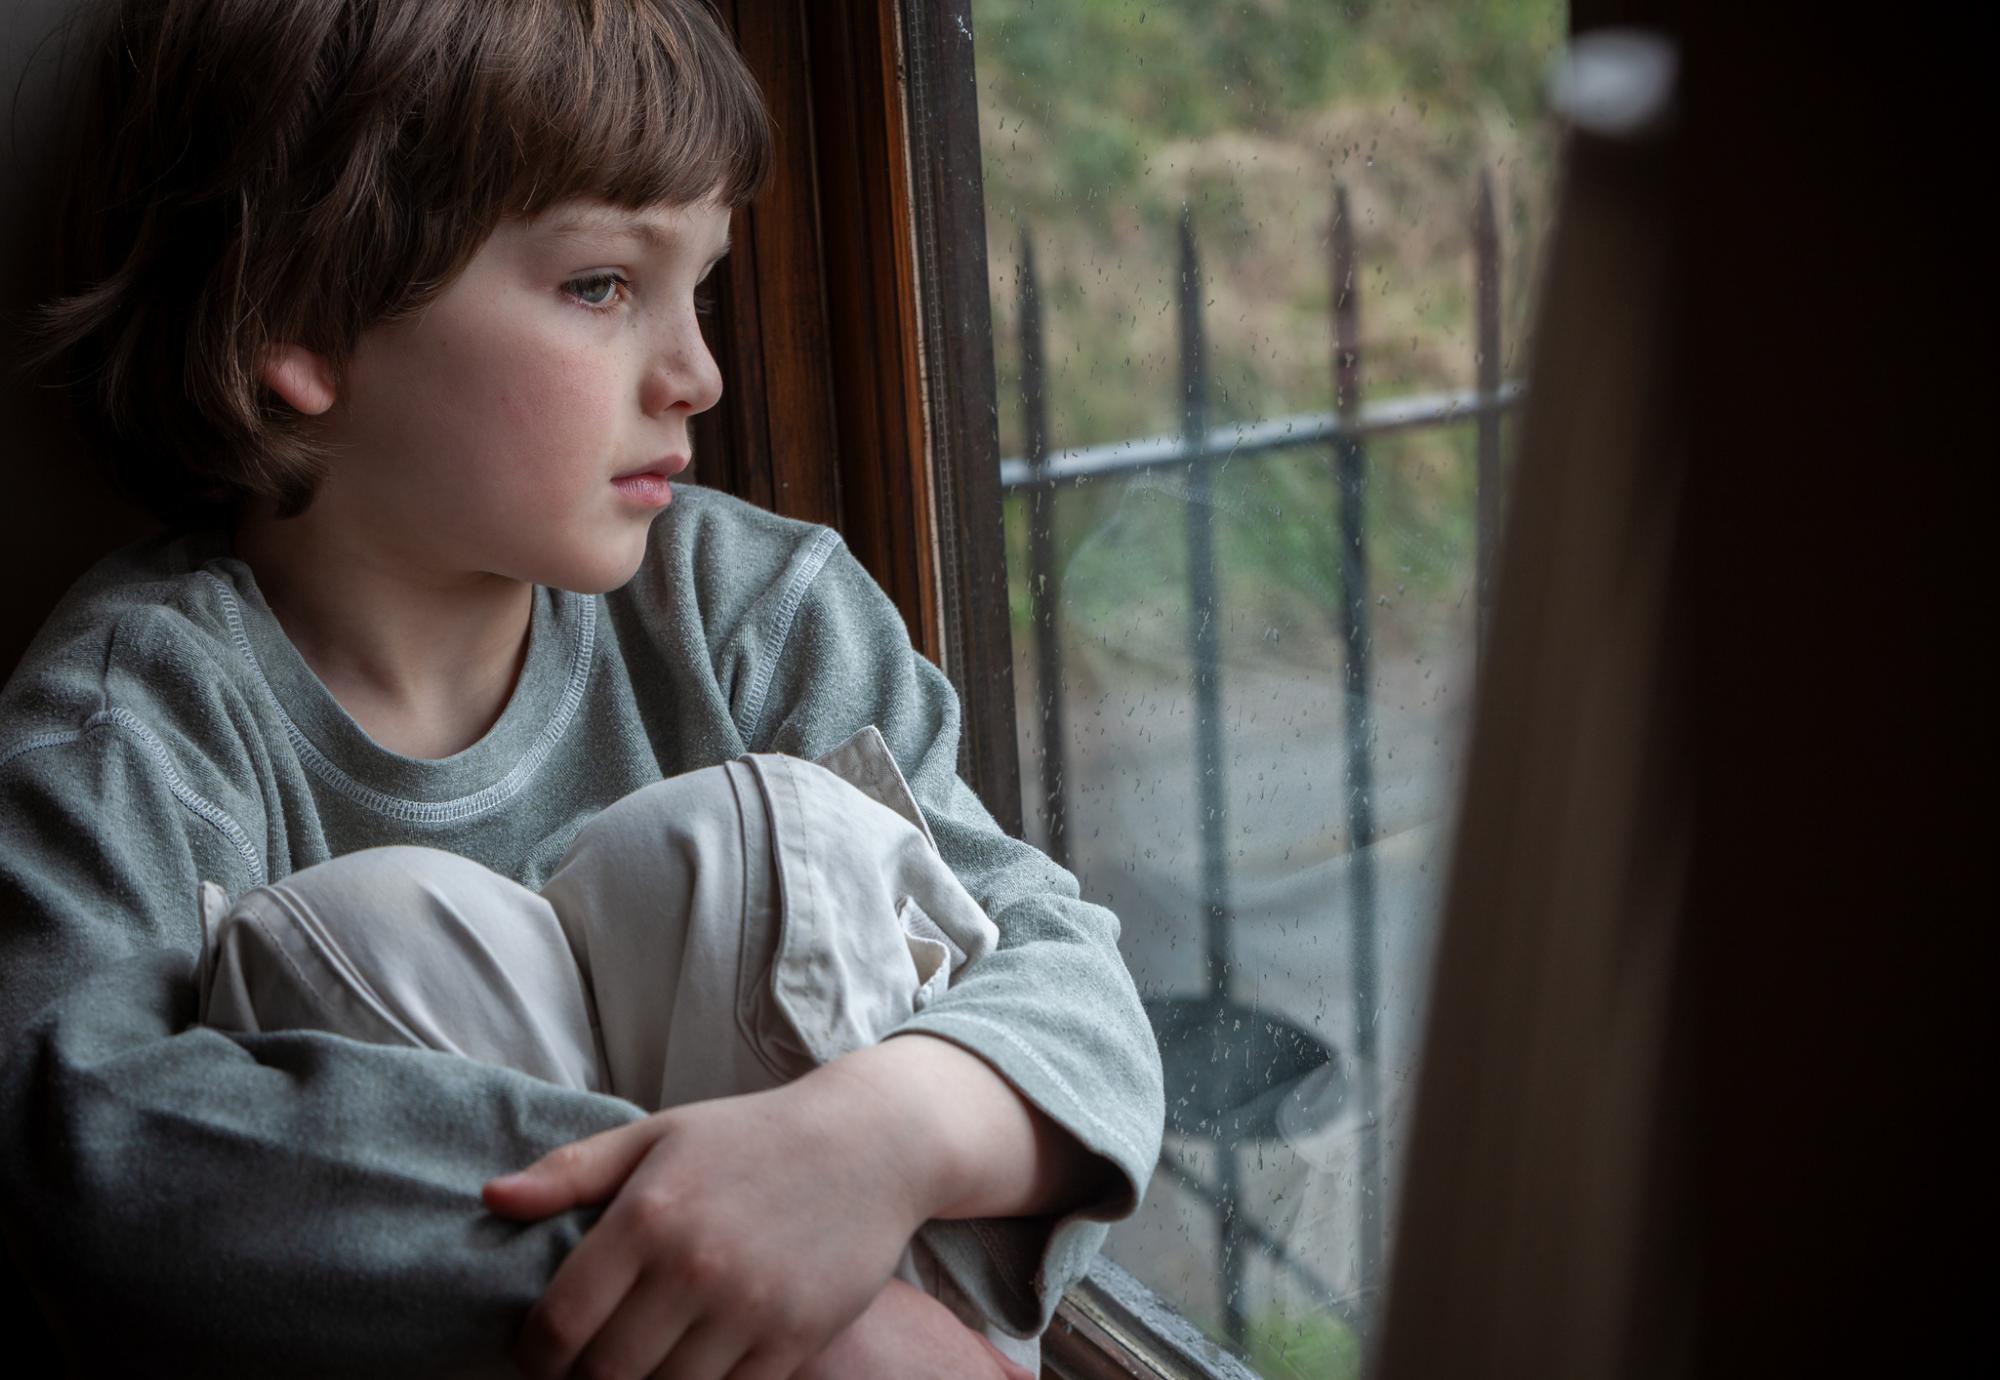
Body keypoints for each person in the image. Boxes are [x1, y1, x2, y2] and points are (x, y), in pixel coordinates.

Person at [0, 2, 1166, 1377]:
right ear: (302, 316)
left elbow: (1065, 978)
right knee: (377, 928)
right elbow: (91, 1144)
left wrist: (866, 1148)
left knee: (765, 840)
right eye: (604, 285)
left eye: (705, 289)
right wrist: (754, 1280)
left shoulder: (756, 615)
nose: (700, 375)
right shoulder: (141, 724)